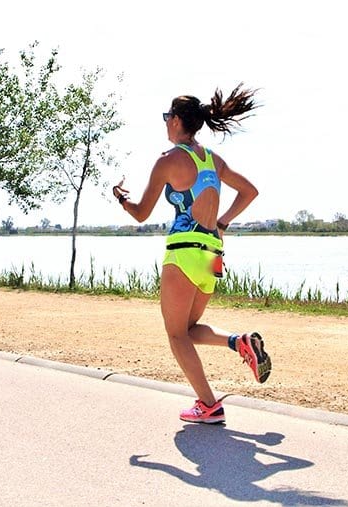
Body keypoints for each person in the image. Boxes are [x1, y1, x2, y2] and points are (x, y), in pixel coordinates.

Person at [112, 84, 271, 424]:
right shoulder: (212, 159)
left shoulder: (168, 161)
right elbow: (250, 191)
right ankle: (238, 342)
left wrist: (121, 199)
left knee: (175, 335)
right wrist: (223, 221)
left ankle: (208, 404)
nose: (166, 122)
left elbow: (141, 213)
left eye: (168, 116)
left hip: (183, 253)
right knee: (188, 328)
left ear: (177, 122)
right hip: (212, 254)